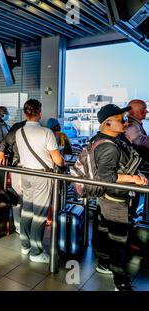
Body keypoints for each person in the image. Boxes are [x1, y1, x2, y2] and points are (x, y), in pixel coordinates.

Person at [93, 104, 148, 291]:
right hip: (115, 198)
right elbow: (106, 177)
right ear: (108, 123)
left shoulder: (110, 138)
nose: (126, 121)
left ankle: (103, 263)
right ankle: (120, 281)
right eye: (122, 119)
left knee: (104, 229)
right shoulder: (109, 147)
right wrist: (134, 178)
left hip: (108, 198)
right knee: (118, 239)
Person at [15, 99, 64, 264]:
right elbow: (58, 160)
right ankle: (36, 252)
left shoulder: (19, 132)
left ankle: (25, 245)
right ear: (40, 112)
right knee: (40, 214)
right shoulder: (46, 132)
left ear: (25, 113)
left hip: (25, 173)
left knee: (27, 211)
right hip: (42, 176)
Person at [0, 118, 27, 234]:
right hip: (18, 165)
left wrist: (1, 151)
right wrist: (0, 152)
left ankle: (22, 225)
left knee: (23, 198)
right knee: (18, 197)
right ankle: (19, 226)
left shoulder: (38, 128)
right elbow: (4, 142)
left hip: (26, 166)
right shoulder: (19, 126)